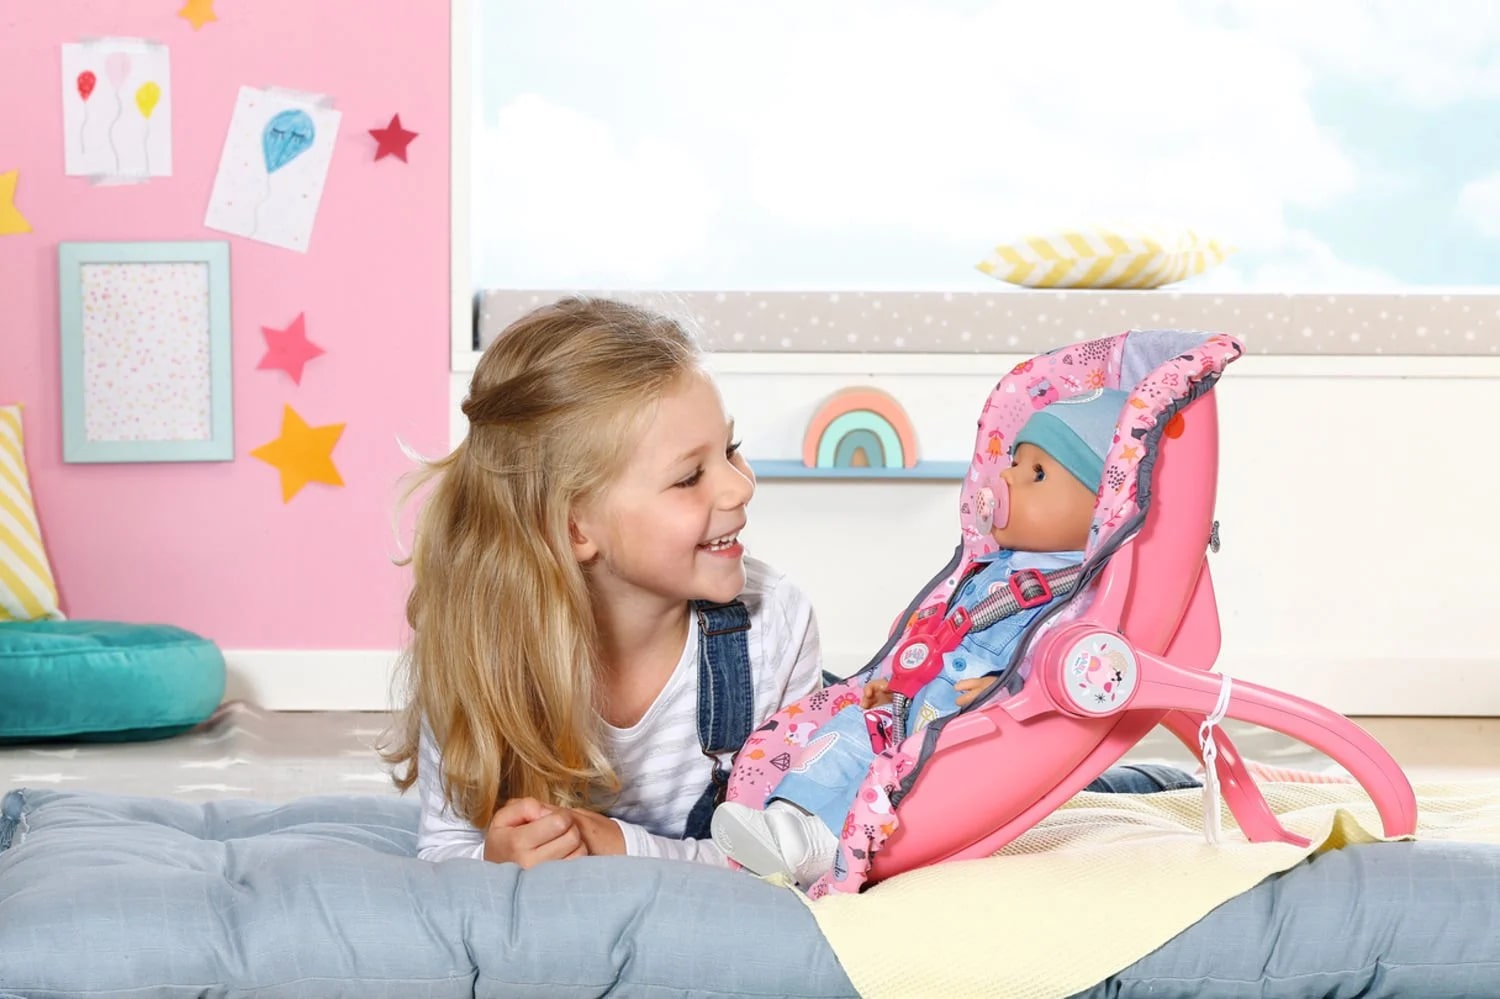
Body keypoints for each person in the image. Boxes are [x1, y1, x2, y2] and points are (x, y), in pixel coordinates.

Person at [382, 297, 822, 869]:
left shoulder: (776, 626)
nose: (740, 487)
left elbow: (806, 852)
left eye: (731, 450)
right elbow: (444, 849)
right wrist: (492, 858)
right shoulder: (477, 649)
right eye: (689, 477)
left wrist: (621, 846)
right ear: (574, 528)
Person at [712, 388, 1198, 887]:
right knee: (845, 729)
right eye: (1014, 463)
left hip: (971, 736)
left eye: (1037, 474)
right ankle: (786, 821)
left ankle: (815, 843)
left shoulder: (1078, 596)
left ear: (1101, 509)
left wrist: (1009, 691)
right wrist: (894, 684)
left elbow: (1062, 665)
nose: (1007, 479)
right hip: (914, 708)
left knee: (895, 774)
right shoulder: (990, 568)